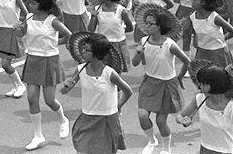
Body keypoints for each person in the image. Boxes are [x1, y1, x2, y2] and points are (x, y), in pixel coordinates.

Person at [16, 0, 72, 150]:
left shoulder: (52, 20)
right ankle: (38, 135)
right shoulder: (28, 18)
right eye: (29, 2)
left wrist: (54, 43)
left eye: (33, 3)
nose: (30, 5)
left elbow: (69, 36)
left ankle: (63, 119)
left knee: (49, 100)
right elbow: (21, 34)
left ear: (41, 4)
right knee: (32, 98)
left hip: (49, 61)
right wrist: (18, 30)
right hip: (32, 59)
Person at [60, 33, 132, 154]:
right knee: (82, 150)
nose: (83, 51)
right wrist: (66, 87)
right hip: (86, 117)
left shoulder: (109, 73)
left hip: (106, 120)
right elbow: (63, 90)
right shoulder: (80, 70)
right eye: (83, 48)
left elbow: (128, 91)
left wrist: (117, 106)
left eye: (87, 50)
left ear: (97, 54)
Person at [132, 8, 190, 154]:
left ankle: (166, 148)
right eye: (146, 23)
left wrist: (179, 77)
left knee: (160, 121)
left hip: (166, 85)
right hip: (149, 82)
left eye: (150, 23)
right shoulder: (143, 41)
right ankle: (152, 141)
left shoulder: (169, 44)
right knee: (142, 115)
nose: (147, 26)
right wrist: (138, 54)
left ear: (159, 26)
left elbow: (186, 61)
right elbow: (134, 63)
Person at [177, 64, 233, 154]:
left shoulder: (231, 106)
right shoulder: (199, 99)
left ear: (215, 85)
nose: (200, 86)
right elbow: (180, 116)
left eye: (204, 83)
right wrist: (183, 120)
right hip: (205, 149)